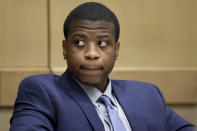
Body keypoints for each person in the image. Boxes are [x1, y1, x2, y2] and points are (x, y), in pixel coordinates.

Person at [10, 2, 194, 131]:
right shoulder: (41, 92)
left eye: (103, 43)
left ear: (116, 50)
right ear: (65, 48)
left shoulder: (147, 94)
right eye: (80, 42)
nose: (91, 53)